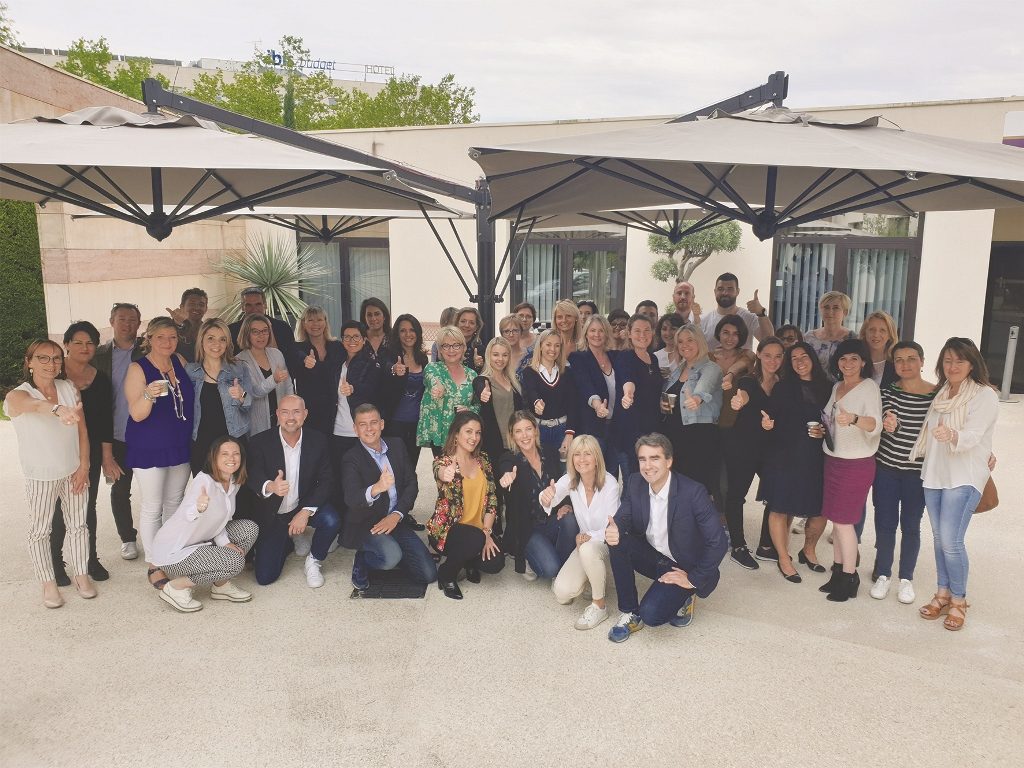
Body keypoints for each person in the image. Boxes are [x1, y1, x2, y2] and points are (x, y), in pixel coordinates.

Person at [605, 433, 729, 643]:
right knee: (616, 540)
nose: (647, 466)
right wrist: (614, 528)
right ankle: (629, 611)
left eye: (655, 458)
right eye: (642, 459)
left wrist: (693, 578)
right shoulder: (635, 482)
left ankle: (688, 593)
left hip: (684, 565)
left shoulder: (693, 492)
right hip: (655, 556)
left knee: (651, 615)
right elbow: (624, 516)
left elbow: (718, 542)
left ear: (669, 461)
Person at [911, 337, 998, 631]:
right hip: (935, 473)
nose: (953, 366)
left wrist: (953, 436)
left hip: (963, 476)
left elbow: (975, 434)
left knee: (951, 541)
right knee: (940, 539)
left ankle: (959, 600)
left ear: (972, 364)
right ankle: (943, 593)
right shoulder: (942, 392)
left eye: (959, 360)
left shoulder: (984, 395)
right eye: (948, 360)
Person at [5, 340, 96, 608]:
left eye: (56, 358)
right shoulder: (17, 395)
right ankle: (48, 583)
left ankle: (81, 576)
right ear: (29, 362)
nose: (51, 363)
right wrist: (57, 409)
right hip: (41, 475)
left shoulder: (68, 388)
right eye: (43, 358)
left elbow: (82, 431)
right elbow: (34, 406)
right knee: (40, 531)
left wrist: (84, 466)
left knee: (78, 525)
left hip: (73, 471)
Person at [124, 317, 195, 590]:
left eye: (172, 337)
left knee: (174, 502)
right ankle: (155, 563)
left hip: (180, 443)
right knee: (152, 506)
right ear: (149, 339)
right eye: (161, 337)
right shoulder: (138, 368)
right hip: (150, 446)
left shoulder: (180, 361)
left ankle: (171, 552)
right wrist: (148, 395)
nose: (167, 342)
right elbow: (137, 414)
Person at [149, 436, 258, 612]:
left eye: (236, 453)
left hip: (202, 540)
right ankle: (175, 587)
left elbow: (220, 521)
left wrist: (225, 542)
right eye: (224, 454)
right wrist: (198, 508)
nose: (231, 458)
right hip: (176, 549)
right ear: (214, 457)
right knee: (235, 562)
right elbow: (187, 514)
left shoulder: (232, 481)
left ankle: (221, 585)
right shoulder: (204, 481)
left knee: (249, 529)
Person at [246, 395, 342, 587]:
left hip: (301, 504)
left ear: (305, 414)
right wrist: (271, 486)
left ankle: (313, 560)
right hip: (274, 513)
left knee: (331, 520)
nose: (290, 417)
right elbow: (252, 475)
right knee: (265, 578)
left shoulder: (318, 440)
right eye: (285, 412)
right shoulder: (259, 441)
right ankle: (289, 538)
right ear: (277, 414)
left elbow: (327, 480)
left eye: (296, 412)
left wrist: (305, 512)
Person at [341, 404, 437, 591]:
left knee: (428, 574)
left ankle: (396, 551)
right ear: (355, 429)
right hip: (367, 525)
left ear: (382, 424)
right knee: (390, 557)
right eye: (363, 424)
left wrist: (397, 515)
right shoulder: (351, 458)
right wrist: (377, 488)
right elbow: (351, 498)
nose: (369, 429)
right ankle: (363, 560)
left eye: (373, 422)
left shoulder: (397, 445)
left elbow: (411, 484)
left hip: (395, 520)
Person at [758, 341, 832, 581]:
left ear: (813, 358)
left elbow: (834, 420)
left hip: (816, 457)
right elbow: (770, 416)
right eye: (794, 358)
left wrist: (825, 431)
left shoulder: (828, 387)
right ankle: (783, 557)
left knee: (820, 508)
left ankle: (808, 550)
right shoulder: (783, 387)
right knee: (780, 506)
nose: (800, 362)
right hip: (784, 455)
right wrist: (767, 424)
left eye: (804, 356)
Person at [869, 341, 936, 604]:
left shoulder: (936, 395)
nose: (905, 364)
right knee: (885, 524)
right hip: (886, 470)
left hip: (916, 474)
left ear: (922, 361)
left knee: (911, 526)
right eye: (899, 359)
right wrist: (887, 424)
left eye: (911, 358)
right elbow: (882, 421)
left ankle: (906, 578)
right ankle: (883, 574)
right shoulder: (887, 392)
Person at [818, 339, 882, 602]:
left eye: (854, 358)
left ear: (863, 362)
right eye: (843, 359)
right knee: (836, 521)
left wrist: (853, 419)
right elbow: (828, 417)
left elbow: (875, 424)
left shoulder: (869, 388)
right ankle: (837, 572)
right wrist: (821, 428)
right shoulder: (837, 386)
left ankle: (849, 576)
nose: (848, 364)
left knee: (845, 523)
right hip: (833, 458)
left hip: (856, 463)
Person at [50, 322, 112, 585]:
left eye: (90, 343)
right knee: (57, 507)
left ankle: (89, 558)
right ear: (66, 344)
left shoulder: (101, 378)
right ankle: (55, 561)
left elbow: (106, 421)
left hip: (91, 450)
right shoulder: (53, 374)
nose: (84, 348)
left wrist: (107, 457)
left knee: (87, 504)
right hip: (58, 450)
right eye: (78, 342)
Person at [541, 435, 620, 631]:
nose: (581, 459)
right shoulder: (571, 479)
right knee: (562, 593)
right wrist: (546, 496)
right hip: (584, 543)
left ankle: (599, 606)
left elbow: (612, 527)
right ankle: (593, 576)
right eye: (576, 454)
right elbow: (551, 495)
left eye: (587, 454)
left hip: (607, 543)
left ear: (597, 458)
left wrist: (587, 537)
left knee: (588, 549)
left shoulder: (610, 484)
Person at [429, 412, 505, 599]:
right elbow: (439, 471)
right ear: (456, 434)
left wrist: (487, 532)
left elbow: (492, 500)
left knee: (495, 563)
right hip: (448, 531)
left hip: (478, 530)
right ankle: (447, 574)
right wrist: (445, 474)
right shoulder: (443, 462)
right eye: (468, 431)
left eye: (477, 433)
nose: (474, 437)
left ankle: (467, 559)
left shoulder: (483, 460)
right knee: (474, 539)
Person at [724, 337, 785, 570]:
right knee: (736, 495)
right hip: (743, 446)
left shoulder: (782, 384)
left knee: (775, 492)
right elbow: (744, 394)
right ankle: (738, 547)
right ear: (758, 354)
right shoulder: (748, 380)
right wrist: (739, 401)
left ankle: (766, 545)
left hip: (770, 448)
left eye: (778, 356)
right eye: (767, 355)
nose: (773, 360)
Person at [93, 302, 144, 560]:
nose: (127, 324)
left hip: (146, 433)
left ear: (139, 323)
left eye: (132, 319)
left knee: (156, 490)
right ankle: (128, 538)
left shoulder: (147, 350)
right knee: (121, 489)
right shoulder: (100, 355)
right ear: (112, 321)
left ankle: (161, 536)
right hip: (116, 435)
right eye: (122, 319)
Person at [497, 411, 573, 579]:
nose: (524, 435)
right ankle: (532, 557)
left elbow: (562, 484)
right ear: (512, 435)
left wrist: (565, 505)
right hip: (528, 529)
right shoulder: (509, 459)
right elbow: (505, 468)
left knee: (570, 520)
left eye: (528, 429)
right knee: (551, 569)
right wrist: (506, 477)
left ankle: (560, 562)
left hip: (550, 520)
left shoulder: (549, 452)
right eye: (518, 431)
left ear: (536, 430)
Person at [660, 324, 723, 496]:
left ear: (700, 342)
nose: (684, 345)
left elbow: (704, 388)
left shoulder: (711, 368)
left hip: (699, 437)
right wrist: (662, 405)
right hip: (674, 437)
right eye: (680, 341)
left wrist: (696, 399)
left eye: (690, 340)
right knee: (677, 490)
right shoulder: (678, 369)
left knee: (698, 490)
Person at [186, 318, 252, 475]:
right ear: (201, 340)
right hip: (202, 443)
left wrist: (241, 395)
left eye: (222, 339)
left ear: (228, 343)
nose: (217, 344)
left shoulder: (239, 368)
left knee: (237, 488)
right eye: (211, 338)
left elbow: (249, 404)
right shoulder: (190, 371)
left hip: (233, 440)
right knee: (205, 488)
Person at [329, 320, 384, 487]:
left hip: (360, 432)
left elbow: (373, 389)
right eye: (347, 337)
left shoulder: (371, 363)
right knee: (339, 478)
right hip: (338, 431)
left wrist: (354, 389)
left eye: (356, 337)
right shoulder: (338, 363)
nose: (351, 341)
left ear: (364, 339)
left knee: (363, 479)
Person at [609, 314, 662, 479]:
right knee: (633, 481)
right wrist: (628, 394)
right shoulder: (625, 356)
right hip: (629, 431)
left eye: (647, 330)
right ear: (629, 333)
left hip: (650, 430)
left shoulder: (653, 358)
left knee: (646, 480)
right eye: (637, 331)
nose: (642, 335)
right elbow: (628, 380)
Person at [417, 325, 478, 458]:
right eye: (446, 346)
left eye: (456, 345)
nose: (451, 350)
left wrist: (469, 409)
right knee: (445, 470)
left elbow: (478, 405)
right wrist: (437, 389)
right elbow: (432, 380)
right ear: (440, 350)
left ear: (463, 348)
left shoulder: (472, 375)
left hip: (465, 436)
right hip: (440, 436)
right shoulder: (432, 368)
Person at [520, 329, 577, 467]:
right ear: (540, 346)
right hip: (538, 430)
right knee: (542, 471)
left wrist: (569, 434)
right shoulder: (529, 372)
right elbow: (531, 391)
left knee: (564, 471)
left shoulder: (567, 373)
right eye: (548, 344)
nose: (553, 349)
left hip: (562, 430)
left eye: (557, 345)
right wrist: (536, 402)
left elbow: (573, 405)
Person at [235, 313, 293, 436]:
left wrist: (290, 412)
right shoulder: (239, 361)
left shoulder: (277, 354)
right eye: (255, 332)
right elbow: (252, 393)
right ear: (247, 333)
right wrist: (274, 380)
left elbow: (288, 386)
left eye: (265, 331)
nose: (261, 336)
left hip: (281, 422)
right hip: (257, 426)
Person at [567, 314, 616, 460]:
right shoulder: (578, 358)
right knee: (593, 470)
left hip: (616, 427)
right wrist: (597, 405)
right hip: (592, 428)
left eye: (601, 331)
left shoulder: (615, 356)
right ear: (586, 333)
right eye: (593, 330)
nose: (597, 334)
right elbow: (585, 385)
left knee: (611, 471)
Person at [473, 337, 525, 467]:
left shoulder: (514, 381)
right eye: (496, 354)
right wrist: (483, 393)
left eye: (505, 355)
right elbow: (479, 386)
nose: (500, 359)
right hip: (493, 446)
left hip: (516, 444)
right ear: (488, 356)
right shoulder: (483, 380)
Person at [293, 306, 344, 435]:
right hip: (309, 411)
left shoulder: (337, 346)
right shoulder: (297, 349)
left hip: (335, 409)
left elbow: (335, 371)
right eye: (310, 320)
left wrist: (315, 366)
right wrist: (304, 361)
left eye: (319, 320)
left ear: (325, 323)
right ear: (303, 324)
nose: (315, 324)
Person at [228, 287, 299, 378]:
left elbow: (292, 358)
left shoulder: (283, 328)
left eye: (258, 304)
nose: (254, 309)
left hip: (281, 381)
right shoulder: (231, 331)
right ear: (242, 307)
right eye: (249, 305)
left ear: (265, 305)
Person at [700, 272, 773, 352]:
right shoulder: (703, 321)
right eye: (720, 289)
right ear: (715, 291)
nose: (725, 293)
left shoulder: (749, 317)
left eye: (730, 289)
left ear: (737, 291)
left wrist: (761, 313)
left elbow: (769, 341)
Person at [803, 291, 856, 377]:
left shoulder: (852, 338)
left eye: (836, 308)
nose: (830, 312)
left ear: (845, 312)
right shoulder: (809, 337)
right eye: (826, 307)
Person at [167, 287, 208, 362]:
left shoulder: (209, 330)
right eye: (192, 304)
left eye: (201, 305)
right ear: (182, 307)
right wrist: (180, 324)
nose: (197, 308)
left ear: (206, 309)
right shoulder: (169, 329)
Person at [860, 311, 899, 387]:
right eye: (872, 329)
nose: (876, 334)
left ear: (890, 335)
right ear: (864, 333)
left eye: (882, 330)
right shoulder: (855, 360)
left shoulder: (896, 364)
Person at [360, 296, 392, 367]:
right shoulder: (358, 338)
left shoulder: (393, 338)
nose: (373, 318)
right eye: (369, 315)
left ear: (384, 316)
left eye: (377, 314)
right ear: (364, 318)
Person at [654, 313, 685, 381]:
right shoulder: (655, 356)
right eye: (664, 329)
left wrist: (672, 375)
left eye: (673, 329)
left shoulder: (686, 353)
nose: (668, 333)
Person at [456, 306, 486, 372]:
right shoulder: (446, 345)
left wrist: (478, 366)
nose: (467, 325)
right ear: (457, 323)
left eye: (471, 323)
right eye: (463, 321)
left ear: (476, 327)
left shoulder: (480, 350)